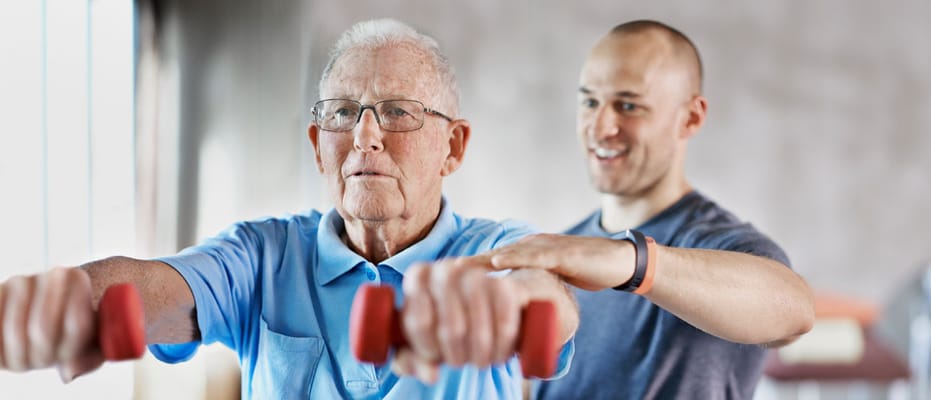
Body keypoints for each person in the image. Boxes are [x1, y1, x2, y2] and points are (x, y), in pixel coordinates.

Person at [0, 19, 578, 399]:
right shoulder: (262, 255)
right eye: (342, 114)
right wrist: (74, 298)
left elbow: (546, 295)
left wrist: (502, 305)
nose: (365, 136)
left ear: (452, 147)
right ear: (317, 145)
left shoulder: (493, 248)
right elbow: (157, 289)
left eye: (398, 111)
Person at [468, 20, 816, 399]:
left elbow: (794, 311)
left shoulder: (718, 244)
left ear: (691, 117)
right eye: (590, 102)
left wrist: (634, 263)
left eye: (628, 105)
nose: (600, 127)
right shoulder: (562, 251)